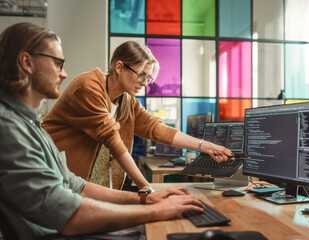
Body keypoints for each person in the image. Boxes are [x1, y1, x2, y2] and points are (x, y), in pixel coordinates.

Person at [0, 22, 204, 240]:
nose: (64, 74)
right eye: (58, 64)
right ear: (27, 62)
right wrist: (153, 208)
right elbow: (67, 214)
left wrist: (144, 199)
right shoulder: (9, 128)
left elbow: (74, 184)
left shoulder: (31, 126)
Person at [42, 40, 234, 190]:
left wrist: (205, 146)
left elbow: (156, 129)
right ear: (119, 67)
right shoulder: (88, 88)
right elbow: (113, 141)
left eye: (148, 78)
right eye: (141, 75)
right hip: (55, 178)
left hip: (91, 188)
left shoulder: (127, 102)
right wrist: (145, 187)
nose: (145, 83)